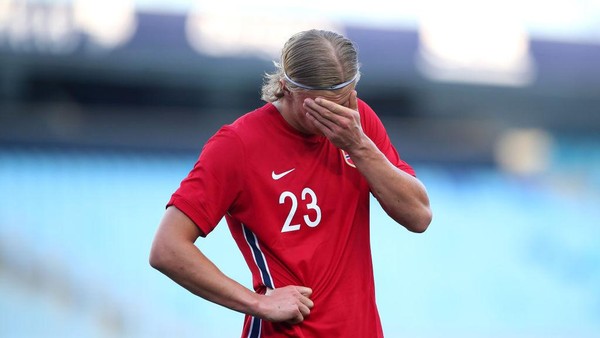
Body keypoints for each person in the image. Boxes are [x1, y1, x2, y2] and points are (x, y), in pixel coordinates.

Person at [149, 29, 432, 337]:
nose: (336, 116)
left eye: (345, 100)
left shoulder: (356, 123)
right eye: (321, 107)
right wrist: (257, 302)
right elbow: (167, 248)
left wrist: (359, 146)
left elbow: (419, 216)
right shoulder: (238, 144)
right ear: (286, 87)